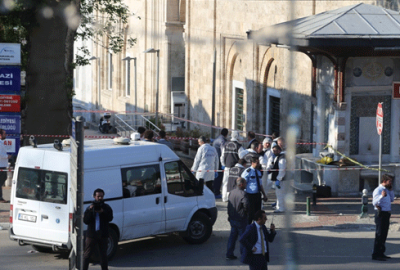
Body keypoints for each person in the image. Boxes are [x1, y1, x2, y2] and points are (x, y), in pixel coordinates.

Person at [83, 188, 114, 270]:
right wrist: (90, 210)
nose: (100, 198)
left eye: (101, 196)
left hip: (103, 234)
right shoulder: (89, 208)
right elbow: (85, 220)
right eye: (98, 196)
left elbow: (110, 218)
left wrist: (102, 212)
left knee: (103, 255)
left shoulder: (106, 207)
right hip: (92, 235)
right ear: (94, 196)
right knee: (87, 255)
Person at [372, 174, 394, 261]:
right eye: (389, 181)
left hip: (387, 214)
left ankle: (381, 253)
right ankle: (376, 254)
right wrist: (381, 196)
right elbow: (374, 202)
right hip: (380, 214)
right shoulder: (378, 190)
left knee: (384, 234)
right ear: (384, 181)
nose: (391, 183)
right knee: (379, 234)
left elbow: (392, 199)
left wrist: (391, 190)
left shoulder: (386, 190)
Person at [226, 177, 249, 260]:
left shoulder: (231, 192)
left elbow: (229, 206)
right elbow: (246, 205)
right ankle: (244, 255)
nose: (246, 184)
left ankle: (229, 253)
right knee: (243, 237)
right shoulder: (243, 194)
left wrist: (229, 215)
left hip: (233, 218)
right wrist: (246, 214)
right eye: (245, 183)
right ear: (242, 184)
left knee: (232, 237)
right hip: (241, 219)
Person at [241, 157, 268, 224]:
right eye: (257, 162)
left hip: (257, 194)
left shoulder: (258, 172)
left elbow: (260, 184)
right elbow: (243, 183)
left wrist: (264, 194)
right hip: (250, 195)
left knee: (258, 212)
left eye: (258, 162)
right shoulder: (247, 171)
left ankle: (256, 226)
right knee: (250, 213)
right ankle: (248, 226)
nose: (258, 164)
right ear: (252, 163)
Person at [220, 130, 245, 201]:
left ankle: (224, 197)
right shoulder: (239, 146)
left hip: (227, 167)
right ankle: (232, 197)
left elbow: (222, 156)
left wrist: (223, 164)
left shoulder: (226, 144)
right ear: (237, 137)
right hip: (235, 168)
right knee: (234, 183)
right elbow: (242, 157)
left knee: (225, 183)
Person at [266, 145, 287, 213]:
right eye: (273, 151)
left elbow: (282, 170)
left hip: (281, 180)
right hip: (279, 179)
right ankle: (279, 207)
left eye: (275, 151)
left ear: (279, 150)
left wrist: (278, 179)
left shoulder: (282, 158)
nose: (274, 152)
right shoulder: (278, 157)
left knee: (280, 194)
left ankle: (281, 208)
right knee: (279, 194)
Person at [213, 128, 228, 198]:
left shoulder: (217, 139)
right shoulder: (222, 141)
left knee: (216, 177)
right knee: (219, 177)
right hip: (219, 160)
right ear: (226, 134)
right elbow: (223, 152)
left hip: (215, 159)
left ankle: (215, 191)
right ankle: (216, 192)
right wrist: (223, 163)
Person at [0, 129, 11, 203]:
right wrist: (7, 157)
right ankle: (0, 198)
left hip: (3, 165)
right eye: (4, 134)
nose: (5, 135)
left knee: (2, 180)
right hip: (0, 166)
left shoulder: (1, 143)